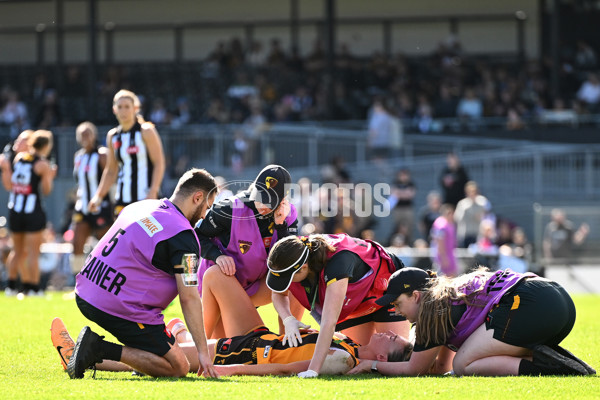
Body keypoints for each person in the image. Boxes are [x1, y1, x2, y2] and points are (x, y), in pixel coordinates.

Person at [63, 168, 219, 379]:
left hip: (85, 291)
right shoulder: (184, 236)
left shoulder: (141, 206)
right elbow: (189, 297)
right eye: (206, 208)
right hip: (119, 305)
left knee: (153, 349)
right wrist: (203, 352)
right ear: (197, 197)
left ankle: (95, 353)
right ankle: (98, 348)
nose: (203, 216)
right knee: (178, 367)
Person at [348, 267, 595, 376]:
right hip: (555, 298)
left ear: (415, 296)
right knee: (464, 362)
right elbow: (441, 367)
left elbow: (416, 368)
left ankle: (550, 367)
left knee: (465, 364)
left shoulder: (431, 309)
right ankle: (551, 359)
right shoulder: (442, 298)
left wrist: (372, 365)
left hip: (530, 303)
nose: (396, 311)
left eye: (398, 303)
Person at [266, 233, 410, 378]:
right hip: (354, 301)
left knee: (396, 359)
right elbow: (278, 293)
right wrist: (288, 319)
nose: (286, 283)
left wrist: (313, 370)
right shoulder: (292, 252)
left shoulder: (338, 263)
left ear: (304, 268)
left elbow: (329, 322)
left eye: (288, 278)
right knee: (357, 360)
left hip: (384, 289)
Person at [196, 164, 301, 339]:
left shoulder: (289, 216)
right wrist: (217, 255)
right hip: (222, 288)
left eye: (269, 201)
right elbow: (197, 236)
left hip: (257, 286)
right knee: (218, 347)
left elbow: (288, 261)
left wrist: (281, 227)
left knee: (296, 277)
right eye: (259, 196)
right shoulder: (229, 209)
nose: (262, 204)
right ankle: (178, 330)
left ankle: (288, 340)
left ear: (283, 200)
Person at [88, 89, 165, 217]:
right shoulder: (112, 136)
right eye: (120, 107)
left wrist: (153, 191)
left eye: (127, 107)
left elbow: (159, 163)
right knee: (123, 237)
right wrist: (98, 196)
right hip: (122, 198)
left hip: (145, 197)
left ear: (135, 108)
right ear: (114, 110)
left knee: (147, 237)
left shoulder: (146, 131)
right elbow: (111, 170)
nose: (123, 111)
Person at [6, 130, 56, 296]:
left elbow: (13, 185)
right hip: (33, 212)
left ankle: (11, 286)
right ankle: (34, 289)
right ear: (46, 146)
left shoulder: (19, 158)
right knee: (33, 253)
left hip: (15, 211)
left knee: (17, 251)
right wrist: (50, 175)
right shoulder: (42, 164)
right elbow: (47, 190)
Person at [70, 122, 113, 278]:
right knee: (76, 244)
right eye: (82, 134)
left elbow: (111, 177)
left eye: (88, 133)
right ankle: (77, 282)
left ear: (94, 135)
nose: (85, 137)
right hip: (82, 206)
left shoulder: (102, 154)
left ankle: (106, 281)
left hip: (101, 206)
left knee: (107, 245)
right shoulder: (78, 156)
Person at [0, 129, 32, 295]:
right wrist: (6, 169)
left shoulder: (34, 161)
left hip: (32, 211)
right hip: (17, 210)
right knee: (18, 250)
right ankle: (13, 284)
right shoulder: (11, 160)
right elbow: (9, 186)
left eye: (22, 140)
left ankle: (24, 285)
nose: (17, 143)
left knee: (25, 251)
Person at [454, 181, 490, 248]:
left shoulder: (482, 202)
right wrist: (466, 209)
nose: (472, 194)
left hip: (478, 235)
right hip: (465, 235)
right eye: (470, 191)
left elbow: (487, 218)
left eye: (474, 191)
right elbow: (457, 218)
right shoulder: (462, 204)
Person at [431, 204, 458, 277]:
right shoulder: (442, 225)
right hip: (444, 255)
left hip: (449, 254)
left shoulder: (449, 223)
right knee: (446, 278)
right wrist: (444, 257)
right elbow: (440, 242)